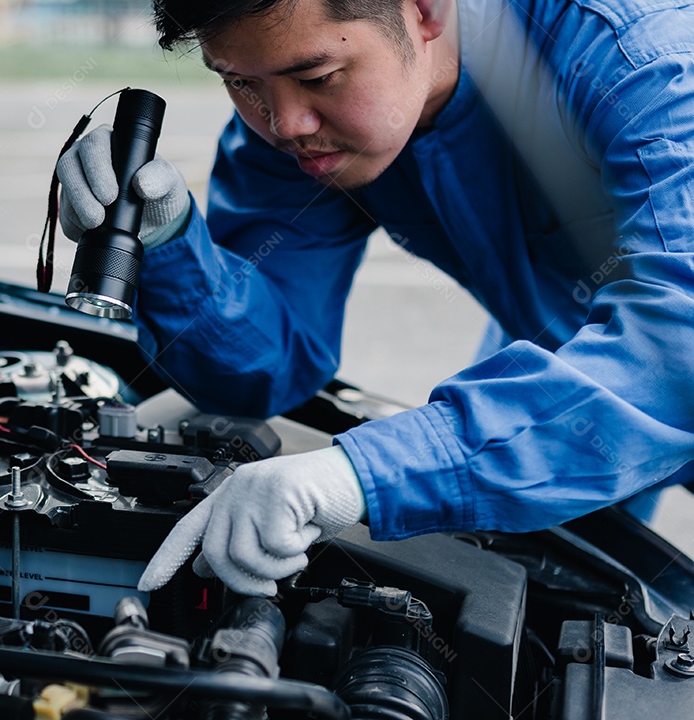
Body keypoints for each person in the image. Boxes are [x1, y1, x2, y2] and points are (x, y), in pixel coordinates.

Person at [55, 0, 694, 597]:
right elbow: (262, 373)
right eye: (241, 83)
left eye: (319, 75)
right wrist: (168, 243)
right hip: (558, 383)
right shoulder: (295, 135)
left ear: (424, 10)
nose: (284, 126)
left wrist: (365, 475)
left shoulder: (650, 67)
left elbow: (673, 355)